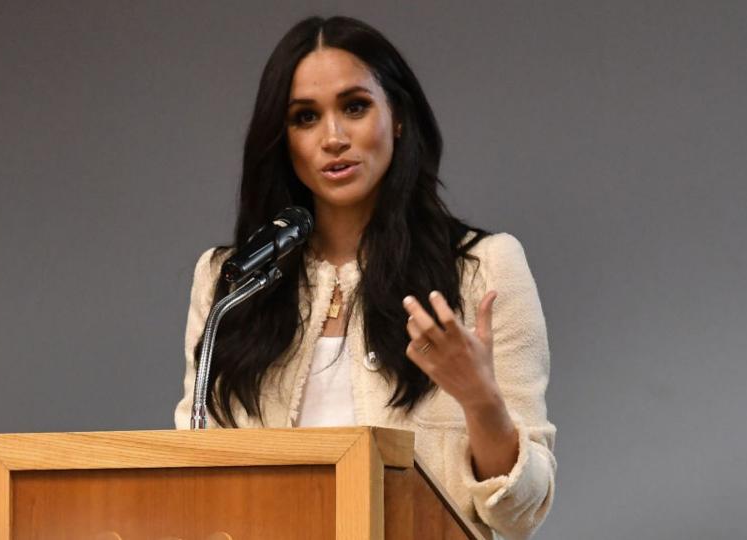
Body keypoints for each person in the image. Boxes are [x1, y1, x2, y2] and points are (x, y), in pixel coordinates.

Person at [174, 16, 555, 540]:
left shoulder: (483, 269)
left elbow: (520, 513)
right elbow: (192, 476)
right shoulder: (230, 281)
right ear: (281, 139)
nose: (333, 138)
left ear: (397, 116)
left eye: (355, 107)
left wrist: (480, 399)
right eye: (306, 117)